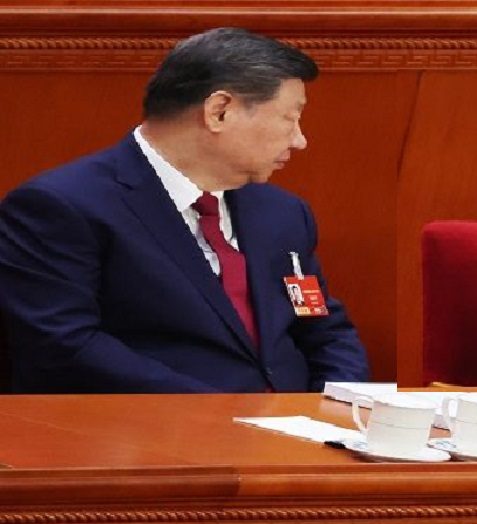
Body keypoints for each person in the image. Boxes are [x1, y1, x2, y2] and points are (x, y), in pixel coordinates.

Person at [0, 27, 370, 393]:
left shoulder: (282, 213)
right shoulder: (62, 207)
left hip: (297, 436)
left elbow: (321, 326)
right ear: (219, 111)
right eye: (290, 118)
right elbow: (65, 346)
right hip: (150, 437)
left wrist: (335, 407)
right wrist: (219, 418)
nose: (299, 139)